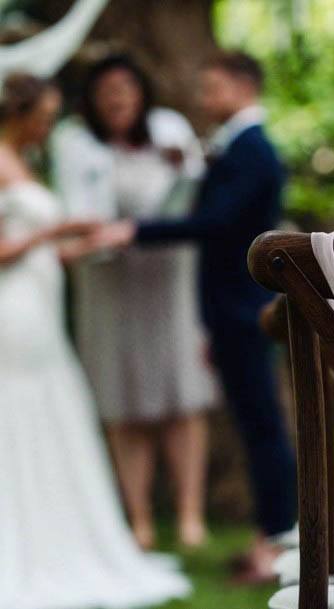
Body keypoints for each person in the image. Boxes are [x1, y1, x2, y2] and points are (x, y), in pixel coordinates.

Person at [93, 50, 297, 583]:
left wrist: (134, 230)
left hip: (244, 311)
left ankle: (279, 544)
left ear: (241, 87)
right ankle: (270, 539)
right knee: (257, 427)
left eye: (211, 87)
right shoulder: (234, 149)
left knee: (264, 429)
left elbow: (215, 223)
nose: (203, 99)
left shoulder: (253, 151)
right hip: (227, 313)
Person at [0, 72, 191, 609]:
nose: (50, 123)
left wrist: (84, 241)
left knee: (49, 406)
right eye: (46, 112)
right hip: (11, 314)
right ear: (21, 113)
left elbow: (41, 251)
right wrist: (49, 233)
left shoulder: (26, 163)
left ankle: (57, 532)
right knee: (16, 407)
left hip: (39, 308)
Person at [52, 54, 217, 550]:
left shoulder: (170, 128)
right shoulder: (75, 143)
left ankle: (191, 516)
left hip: (170, 281)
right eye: (106, 89)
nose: (117, 97)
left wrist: (181, 167)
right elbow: (76, 209)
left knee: (182, 399)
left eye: (125, 86)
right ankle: (138, 518)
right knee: (124, 405)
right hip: (109, 286)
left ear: (141, 91)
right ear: (92, 99)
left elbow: (199, 196)